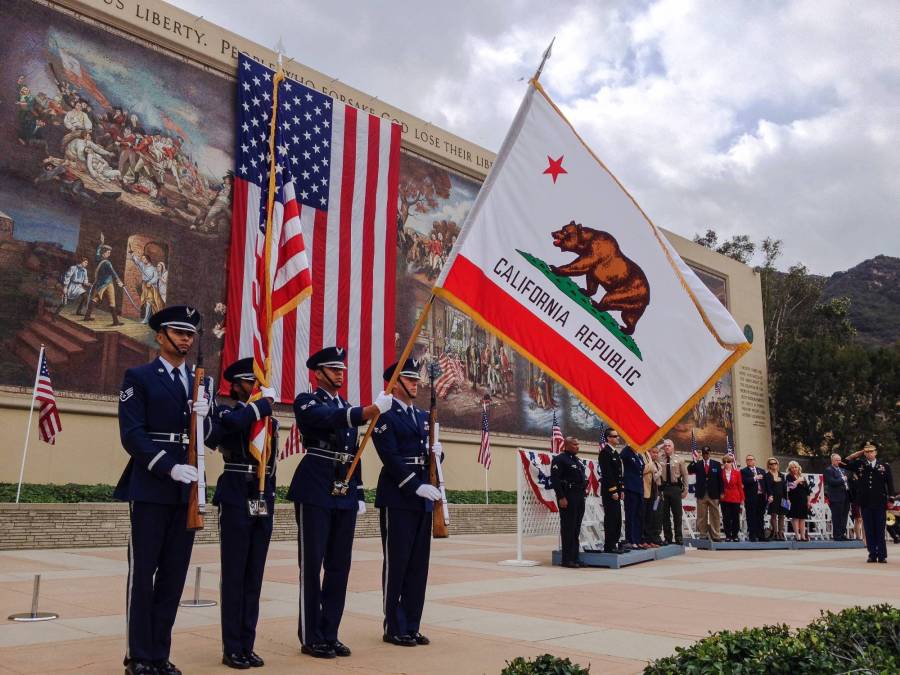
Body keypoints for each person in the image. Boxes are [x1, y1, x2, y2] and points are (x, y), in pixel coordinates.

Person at [114, 306, 214, 675]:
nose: (185, 339)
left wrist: (208, 417)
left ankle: (159, 653)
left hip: (186, 490)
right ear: (160, 336)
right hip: (153, 484)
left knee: (174, 576)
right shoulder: (138, 376)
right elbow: (132, 434)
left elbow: (211, 437)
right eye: (178, 332)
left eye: (190, 333)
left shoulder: (202, 382)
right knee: (143, 575)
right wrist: (167, 465)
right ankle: (138, 655)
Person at [289, 347, 393, 658]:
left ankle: (329, 632)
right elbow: (327, 419)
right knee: (312, 564)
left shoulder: (346, 406)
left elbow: (354, 454)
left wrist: (358, 490)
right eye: (333, 369)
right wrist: (369, 410)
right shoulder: (307, 401)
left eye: (341, 370)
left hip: (343, 489)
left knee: (339, 567)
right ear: (318, 372)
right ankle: (310, 636)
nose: (339, 374)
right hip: (314, 484)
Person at [206, 358, 277, 669]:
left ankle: (247, 644)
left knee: (254, 575)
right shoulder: (226, 411)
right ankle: (232, 646)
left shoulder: (266, 419)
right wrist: (259, 408)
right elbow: (224, 432)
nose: (256, 388)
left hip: (261, 495)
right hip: (236, 491)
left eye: (259, 383)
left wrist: (262, 412)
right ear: (235, 385)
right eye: (251, 382)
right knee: (235, 573)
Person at [372, 358, 443, 646]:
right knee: (397, 563)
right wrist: (415, 486)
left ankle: (412, 624)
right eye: (410, 379)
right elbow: (390, 458)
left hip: (424, 496)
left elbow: (430, 457)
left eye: (416, 379)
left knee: (418, 565)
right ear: (394, 384)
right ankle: (394, 626)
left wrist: (439, 454)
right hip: (399, 495)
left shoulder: (425, 417)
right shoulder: (385, 416)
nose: (416, 384)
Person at [844, 442, 895, 563]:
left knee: (879, 528)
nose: (869, 454)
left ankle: (882, 555)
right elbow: (843, 462)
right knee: (869, 529)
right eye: (866, 451)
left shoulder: (884, 466)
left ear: (876, 452)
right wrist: (859, 453)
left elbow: (890, 483)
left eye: (871, 451)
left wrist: (891, 499)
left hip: (880, 502)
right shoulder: (859, 464)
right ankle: (872, 554)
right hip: (865, 502)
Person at [551, 436, 587, 567]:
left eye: (578, 444)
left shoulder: (577, 460)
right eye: (574, 444)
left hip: (579, 495)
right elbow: (555, 479)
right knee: (568, 528)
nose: (577, 446)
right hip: (568, 495)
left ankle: (575, 557)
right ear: (566, 445)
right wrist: (561, 497)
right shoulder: (560, 459)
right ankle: (567, 559)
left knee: (576, 528)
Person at [597, 428, 626, 553]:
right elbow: (608, 474)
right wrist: (613, 491)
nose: (617, 438)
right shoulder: (605, 452)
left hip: (617, 492)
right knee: (611, 519)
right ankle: (609, 546)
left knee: (617, 519)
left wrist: (622, 489)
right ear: (608, 438)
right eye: (615, 436)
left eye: (617, 436)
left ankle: (615, 542)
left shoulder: (615, 453)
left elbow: (620, 474)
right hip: (610, 492)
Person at [83, 242, 124, 326]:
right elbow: (113, 273)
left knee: (112, 302)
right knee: (95, 299)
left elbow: (97, 252)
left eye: (109, 252)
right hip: (104, 284)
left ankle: (115, 321)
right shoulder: (107, 263)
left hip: (109, 283)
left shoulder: (98, 259)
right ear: (104, 253)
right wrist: (119, 281)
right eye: (108, 252)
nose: (109, 254)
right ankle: (87, 316)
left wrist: (100, 245)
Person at [688, 446, 723, 540]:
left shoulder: (716, 464)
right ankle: (703, 534)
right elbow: (689, 470)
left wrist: (721, 492)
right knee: (701, 516)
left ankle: (716, 535)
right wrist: (695, 460)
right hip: (701, 493)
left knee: (715, 515)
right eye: (704, 453)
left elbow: (720, 480)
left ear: (710, 453)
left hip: (714, 493)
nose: (705, 455)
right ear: (702, 454)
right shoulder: (698, 464)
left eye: (707, 453)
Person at [659, 439, 688, 545]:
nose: (667, 447)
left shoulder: (679, 459)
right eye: (665, 446)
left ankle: (679, 537)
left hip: (675, 488)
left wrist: (685, 489)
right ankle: (668, 538)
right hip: (664, 488)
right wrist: (660, 445)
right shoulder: (659, 458)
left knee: (677, 514)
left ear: (673, 447)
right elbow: (651, 451)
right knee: (664, 515)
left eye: (669, 445)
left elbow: (685, 475)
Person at [620, 441, 645, 549]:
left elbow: (641, 468)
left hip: (639, 488)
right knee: (631, 515)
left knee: (638, 515)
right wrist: (629, 444)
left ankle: (637, 539)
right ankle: (631, 540)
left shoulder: (638, 454)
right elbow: (622, 456)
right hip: (630, 488)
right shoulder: (627, 452)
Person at [740, 454, 768, 541]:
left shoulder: (761, 470)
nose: (750, 461)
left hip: (761, 496)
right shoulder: (744, 471)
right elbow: (744, 481)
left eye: (751, 459)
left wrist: (768, 494)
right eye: (748, 460)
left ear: (755, 461)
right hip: (751, 496)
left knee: (760, 516)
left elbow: (766, 483)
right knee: (751, 516)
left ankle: (761, 535)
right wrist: (754, 478)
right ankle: (752, 535)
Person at [824, 453, 851, 541]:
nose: (839, 461)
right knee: (837, 516)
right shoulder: (829, 470)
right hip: (836, 496)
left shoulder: (843, 470)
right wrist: (843, 479)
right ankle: (837, 535)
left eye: (840, 460)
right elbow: (832, 482)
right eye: (837, 460)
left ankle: (842, 534)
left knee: (844, 516)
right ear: (832, 461)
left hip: (846, 495)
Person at [641, 445, 663, 547]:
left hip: (656, 494)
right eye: (653, 452)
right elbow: (653, 477)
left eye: (657, 452)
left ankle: (653, 538)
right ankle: (646, 538)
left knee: (655, 516)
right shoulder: (648, 463)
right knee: (647, 516)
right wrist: (658, 472)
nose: (655, 454)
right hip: (648, 492)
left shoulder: (658, 464)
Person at [719, 454, 745, 541]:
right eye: (724, 462)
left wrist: (742, 498)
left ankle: (735, 535)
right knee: (726, 517)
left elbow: (739, 486)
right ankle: (728, 535)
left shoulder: (737, 473)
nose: (726, 463)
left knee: (735, 517)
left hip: (735, 497)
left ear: (732, 463)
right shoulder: (720, 472)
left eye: (728, 461)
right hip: (724, 497)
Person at [785, 461, 811, 541]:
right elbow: (790, 487)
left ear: (798, 467)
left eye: (795, 467)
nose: (794, 469)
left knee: (802, 518)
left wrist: (808, 501)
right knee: (795, 517)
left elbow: (807, 491)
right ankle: (797, 535)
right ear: (790, 469)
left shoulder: (802, 476)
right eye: (792, 467)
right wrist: (797, 481)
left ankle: (803, 536)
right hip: (794, 499)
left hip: (803, 499)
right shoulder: (789, 476)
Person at [764, 458, 787, 540]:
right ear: (769, 465)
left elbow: (785, 488)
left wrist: (786, 499)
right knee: (773, 514)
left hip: (782, 498)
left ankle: (781, 533)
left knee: (782, 515)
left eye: (775, 463)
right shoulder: (767, 475)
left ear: (777, 464)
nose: (773, 465)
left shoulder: (782, 475)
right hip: (773, 497)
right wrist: (770, 496)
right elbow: (767, 487)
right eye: (771, 464)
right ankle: (775, 532)